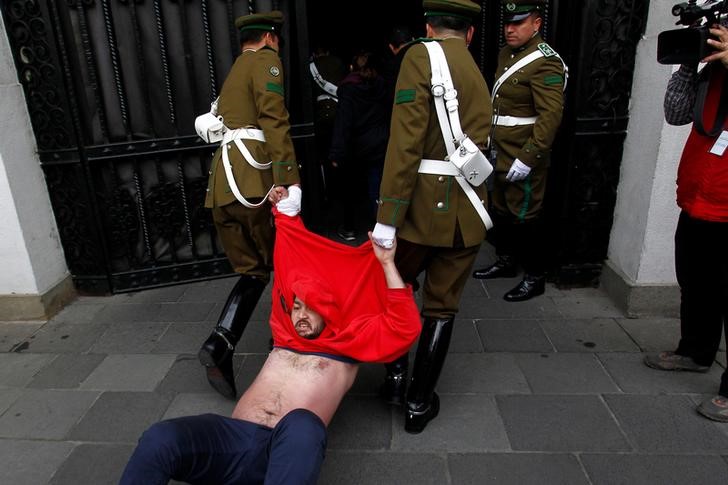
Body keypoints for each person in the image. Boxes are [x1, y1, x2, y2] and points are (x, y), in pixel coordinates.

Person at [119, 209, 421, 485]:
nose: (299, 314)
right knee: (160, 438)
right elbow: (287, 261)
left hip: (283, 455)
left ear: (328, 310)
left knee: (304, 424)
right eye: (296, 306)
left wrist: (386, 263)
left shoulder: (349, 341)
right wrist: (286, 215)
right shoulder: (284, 331)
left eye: (309, 308)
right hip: (232, 443)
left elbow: (404, 327)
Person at [371, 0, 493, 433]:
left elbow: (404, 145)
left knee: (395, 289)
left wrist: (388, 217)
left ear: (428, 26)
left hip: (418, 213)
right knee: (442, 308)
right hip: (466, 214)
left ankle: (396, 379)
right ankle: (419, 405)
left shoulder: (418, 56)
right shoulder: (478, 71)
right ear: (471, 33)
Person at [199, 10, 301, 400]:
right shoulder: (265, 62)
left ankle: (219, 342)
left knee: (253, 270)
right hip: (254, 185)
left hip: (223, 190)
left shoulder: (235, 71)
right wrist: (289, 179)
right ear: (271, 38)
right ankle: (290, 354)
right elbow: (274, 119)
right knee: (285, 263)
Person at [643, 21, 728, 423]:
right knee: (695, 279)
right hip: (699, 195)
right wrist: (686, 66)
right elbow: (676, 114)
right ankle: (695, 352)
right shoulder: (714, 69)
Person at [471, 0, 567, 302]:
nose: (509, 30)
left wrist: (529, 158)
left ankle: (535, 276)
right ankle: (507, 261)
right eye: (507, 24)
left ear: (536, 24)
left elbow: (550, 116)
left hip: (523, 155)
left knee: (526, 216)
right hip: (500, 151)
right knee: (501, 210)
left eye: (518, 23)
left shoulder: (546, 61)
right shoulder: (506, 53)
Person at [329, 50, 391, 239]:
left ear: (352, 67)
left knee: (350, 189)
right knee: (377, 188)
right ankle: (382, 229)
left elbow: (344, 123)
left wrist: (336, 152)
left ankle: (349, 228)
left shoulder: (348, 88)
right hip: (380, 143)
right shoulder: (382, 85)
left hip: (356, 147)